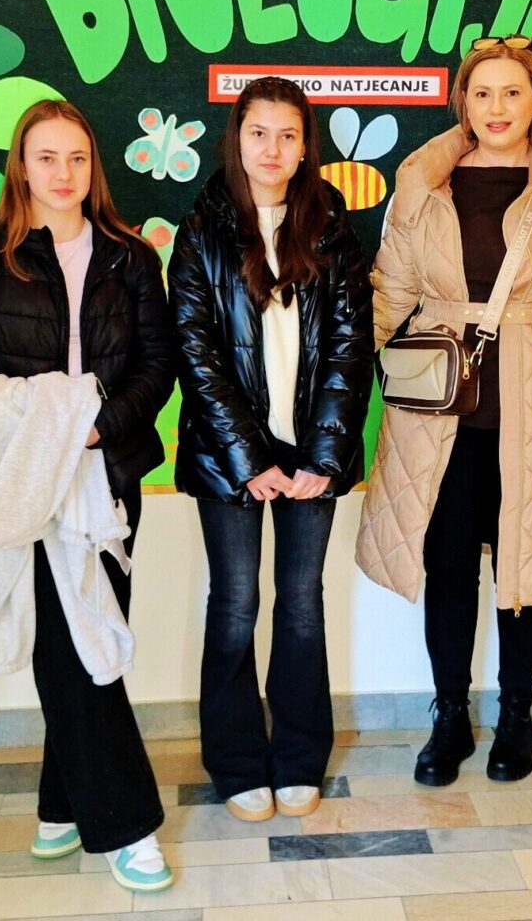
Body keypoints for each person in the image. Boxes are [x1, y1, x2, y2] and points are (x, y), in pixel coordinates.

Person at [0, 99, 176, 891]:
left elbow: (157, 365)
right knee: (71, 653)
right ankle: (127, 828)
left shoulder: (130, 259)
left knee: (94, 638)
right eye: (46, 157)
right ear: (21, 167)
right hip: (26, 480)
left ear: (92, 167)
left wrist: (96, 426)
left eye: (76, 158)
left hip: (108, 477)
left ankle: (61, 804)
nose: (62, 173)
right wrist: (30, 416)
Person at [357, 35, 532, 787]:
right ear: (462, 104)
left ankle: (514, 717)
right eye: (482, 93)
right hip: (438, 416)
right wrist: (329, 384)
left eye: (512, 92)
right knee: (446, 568)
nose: (496, 107)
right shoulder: (424, 185)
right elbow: (390, 294)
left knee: (524, 572)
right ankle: (449, 716)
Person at [169, 77, 373, 822]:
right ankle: (234, 764)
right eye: (259, 133)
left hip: (311, 452)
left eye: (288, 136)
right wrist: (248, 459)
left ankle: (298, 759)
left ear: (305, 146)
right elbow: (195, 353)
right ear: (238, 139)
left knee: (301, 604)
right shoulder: (201, 232)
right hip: (231, 457)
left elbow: (351, 349)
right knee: (234, 603)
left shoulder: (332, 229)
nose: (273, 150)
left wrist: (321, 457)